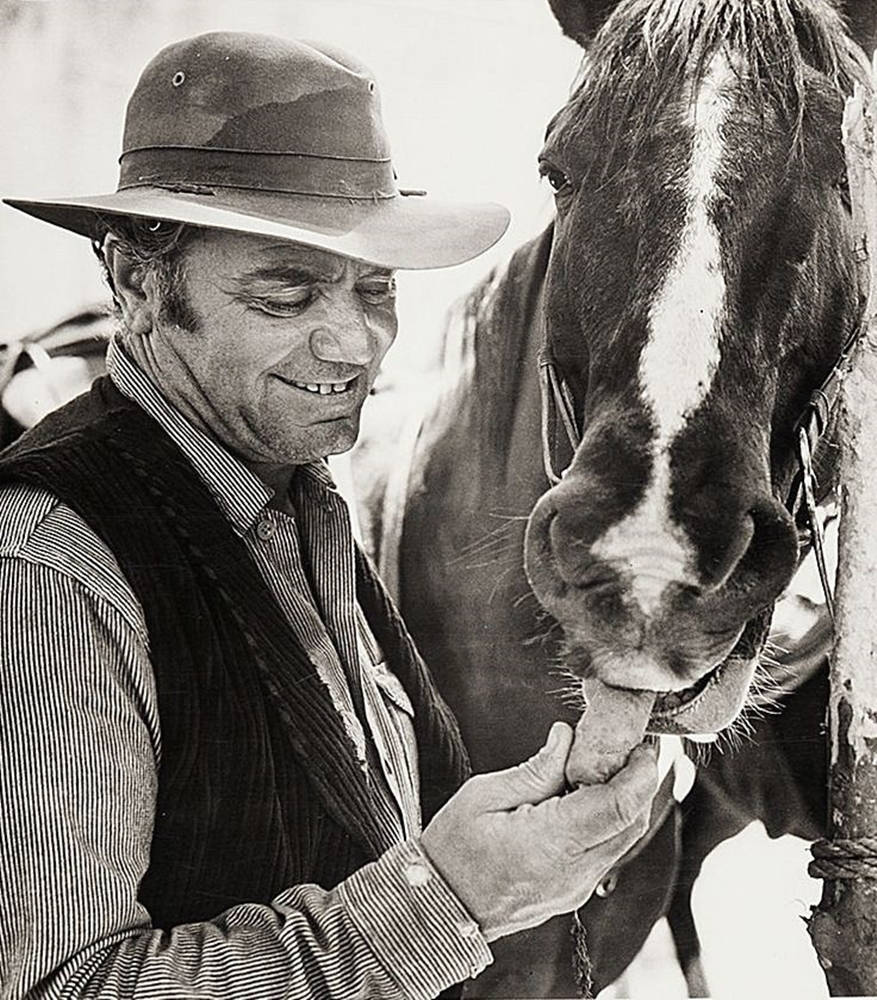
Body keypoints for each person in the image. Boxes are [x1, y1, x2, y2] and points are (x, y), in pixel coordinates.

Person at [0, 31, 658, 1000]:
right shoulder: (55, 567)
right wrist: (453, 904)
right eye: (286, 290)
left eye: (376, 287)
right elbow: (64, 986)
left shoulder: (294, 497)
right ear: (137, 283)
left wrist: (521, 844)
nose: (353, 341)